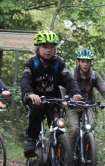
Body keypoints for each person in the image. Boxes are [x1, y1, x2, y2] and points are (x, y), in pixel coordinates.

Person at [20, 30, 81, 158]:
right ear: (38, 48)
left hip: (53, 100)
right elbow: (25, 80)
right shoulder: (32, 63)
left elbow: (69, 79)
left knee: (58, 126)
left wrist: (75, 92)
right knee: (37, 109)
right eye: (44, 47)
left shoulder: (58, 63)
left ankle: (59, 155)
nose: (48, 50)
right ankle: (31, 139)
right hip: (34, 99)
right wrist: (30, 94)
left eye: (51, 47)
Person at [65, 48, 105, 149]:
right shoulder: (71, 75)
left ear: (90, 62)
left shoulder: (94, 76)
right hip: (72, 106)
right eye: (83, 61)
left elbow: (103, 88)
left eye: (87, 62)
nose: (85, 64)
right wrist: (64, 101)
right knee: (74, 129)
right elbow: (62, 88)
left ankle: (88, 152)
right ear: (78, 62)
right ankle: (69, 155)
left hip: (87, 105)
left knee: (90, 126)